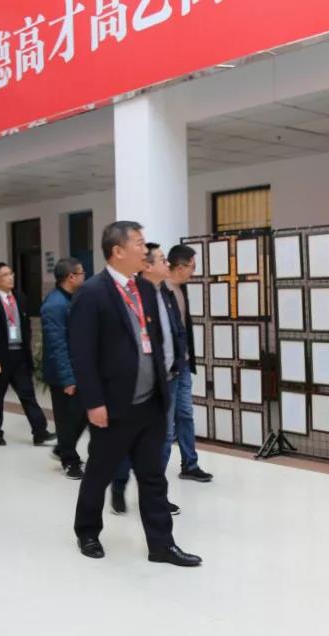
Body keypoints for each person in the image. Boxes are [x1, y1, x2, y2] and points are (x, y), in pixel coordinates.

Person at [69, 221, 201, 567]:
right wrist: (93, 402)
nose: (145, 250)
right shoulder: (92, 292)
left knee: (153, 477)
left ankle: (162, 545)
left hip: (150, 402)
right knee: (99, 472)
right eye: (139, 243)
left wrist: (163, 387)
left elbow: (153, 340)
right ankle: (87, 531)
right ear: (118, 251)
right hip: (113, 405)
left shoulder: (143, 288)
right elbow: (82, 353)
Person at [110, 244, 184, 516]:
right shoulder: (133, 297)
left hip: (168, 378)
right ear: (148, 266)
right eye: (163, 259)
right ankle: (118, 485)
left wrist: (179, 360)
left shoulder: (165, 293)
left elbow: (175, 330)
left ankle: (155, 496)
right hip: (141, 384)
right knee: (129, 441)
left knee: (164, 439)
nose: (169, 264)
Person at [0, 262, 55, 447]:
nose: (11, 277)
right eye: (5, 275)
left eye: (11, 273)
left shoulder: (20, 298)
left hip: (19, 354)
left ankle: (40, 432)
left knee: (27, 394)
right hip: (0, 357)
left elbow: (26, 327)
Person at [163, 244, 213, 483]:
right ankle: (154, 479)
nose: (195, 271)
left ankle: (190, 464)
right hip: (169, 369)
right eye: (193, 266)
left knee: (185, 415)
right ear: (181, 267)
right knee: (166, 427)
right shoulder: (161, 291)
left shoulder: (182, 290)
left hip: (183, 364)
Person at [41, 257, 88, 479]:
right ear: (71, 277)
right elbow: (57, 345)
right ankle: (69, 461)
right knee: (67, 418)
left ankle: (62, 448)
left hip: (78, 368)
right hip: (62, 373)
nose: (84, 277)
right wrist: (68, 379)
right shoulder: (54, 305)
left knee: (83, 413)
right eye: (81, 273)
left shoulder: (73, 298)